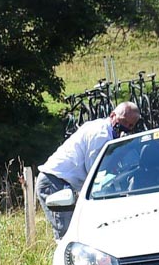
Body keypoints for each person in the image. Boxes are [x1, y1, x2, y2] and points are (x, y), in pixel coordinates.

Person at [35, 101, 141, 240]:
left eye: (131, 125)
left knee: (80, 232)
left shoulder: (110, 135)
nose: (126, 127)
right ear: (113, 115)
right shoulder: (100, 134)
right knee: (66, 235)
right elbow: (95, 172)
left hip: (67, 183)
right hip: (54, 182)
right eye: (124, 121)